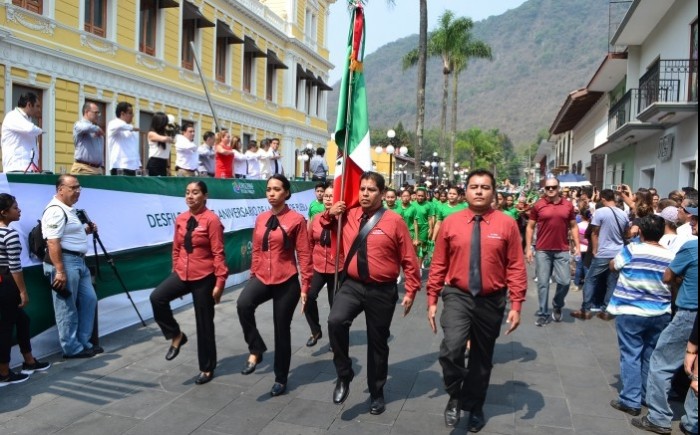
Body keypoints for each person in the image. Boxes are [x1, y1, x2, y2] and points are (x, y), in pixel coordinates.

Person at [427, 169, 526, 430]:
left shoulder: (506, 224)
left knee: (482, 358)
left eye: (485, 187)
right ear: (466, 191)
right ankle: (455, 394)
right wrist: (432, 298)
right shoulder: (451, 222)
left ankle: (475, 405)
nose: (479, 191)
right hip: (458, 295)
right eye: (474, 186)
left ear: (494, 192)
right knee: (451, 349)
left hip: (491, 300)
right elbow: (438, 263)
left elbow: (516, 265)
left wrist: (516, 304)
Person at [324, 172, 421, 415]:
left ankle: (376, 392)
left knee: (378, 343)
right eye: (362, 189)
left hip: (382, 290)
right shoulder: (347, 213)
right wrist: (329, 213)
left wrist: (411, 289)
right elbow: (320, 227)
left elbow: (409, 258)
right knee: (335, 321)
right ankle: (344, 373)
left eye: (371, 190)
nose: (365, 194)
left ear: (382, 193)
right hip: (352, 285)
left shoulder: (394, 221)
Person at [237, 174, 312, 397]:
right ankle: (256, 348)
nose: (272, 193)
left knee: (282, 330)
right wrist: (253, 275)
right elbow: (257, 250)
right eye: (269, 189)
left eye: (277, 189)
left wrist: (305, 285)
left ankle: (280, 378)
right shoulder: (261, 218)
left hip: (286, 280)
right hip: (261, 277)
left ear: (286, 193)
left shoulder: (297, 220)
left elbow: (304, 254)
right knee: (243, 304)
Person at [149, 181, 228, 385]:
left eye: (195, 193)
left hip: (204, 277)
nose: (190, 196)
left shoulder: (212, 220)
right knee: (157, 298)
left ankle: (207, 367)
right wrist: (176, 269)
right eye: (187, 193)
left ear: (205, 196)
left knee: (204, 323)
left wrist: (220, 282)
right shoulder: (181, 219)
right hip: (182, 274)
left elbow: (218, 253)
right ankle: (176, 335)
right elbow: (176, 248)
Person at [632, 206, 698, 435]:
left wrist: (681, 275)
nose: (692, 223)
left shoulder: (692, 246)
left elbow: (668, 275)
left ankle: (658, 417)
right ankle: (692, 422)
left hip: (689, 312)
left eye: (696, 220)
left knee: (660, 362)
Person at [607, 215, 674, 418]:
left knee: (631, 354)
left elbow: (614, 266)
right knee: (650, 355)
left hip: (631, 310)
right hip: (660, 312)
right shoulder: (670, 255)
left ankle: (630, 399)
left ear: (642, 232)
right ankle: (646, 394)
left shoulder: (633, 250)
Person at [41, 175, 101, 358]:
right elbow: (53, 242)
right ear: (60, 189)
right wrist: (60, 270)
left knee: (89, 300)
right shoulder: (55, 210)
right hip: (66, 263)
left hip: (78, 262)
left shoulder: (68, 210)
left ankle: (82, 342)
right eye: (73, 188)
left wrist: (86, 230)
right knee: (67, 307)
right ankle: (71, 348)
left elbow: (67, 234)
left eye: (79, 187)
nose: (77, 191)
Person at [0, 194, 51, 386]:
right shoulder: (9, 234)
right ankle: (4, 373)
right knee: (6, 327)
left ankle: (29, 361)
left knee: (23, 320)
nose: (19, 210)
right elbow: (15, 266)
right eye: (15, 208)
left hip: (2, 281)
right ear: (3, 213)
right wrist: (22, 291)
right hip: (6, 283)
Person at [525, 177, 580, 326]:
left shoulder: (567, 205)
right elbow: (530, 226)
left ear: (558, 188)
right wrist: (528, 247)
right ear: (544, 188)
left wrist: (578, 246)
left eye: (553, 187)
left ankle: (557, 304)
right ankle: (543, 312)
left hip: (562, 249)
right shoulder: (538, 205)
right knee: (543, 283)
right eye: (548, 187)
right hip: (542, 250)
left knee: (565, 281)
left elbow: (574, 226)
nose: (550, 190)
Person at [571, 189, 628, 321]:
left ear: (602, 199)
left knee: (590, 279)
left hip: (603, 252)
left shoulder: (600, 212)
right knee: (612, 281)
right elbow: (627, 233)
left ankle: (586, 309)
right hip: (618, 252)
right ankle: (606, 309)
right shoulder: (623, 213)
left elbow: (594, 233)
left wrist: (595, 250)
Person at [304, 185, 342, 348]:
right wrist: (307, 265)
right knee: (308, 297)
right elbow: (309, 243)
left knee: (335, 306)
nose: (327, 198)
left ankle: (335, 339)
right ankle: (315, 330)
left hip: (337, 268)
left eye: (331, 196)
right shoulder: (316, 219)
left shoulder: (343, 220)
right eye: (325, 196)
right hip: (318, 265)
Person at [1, 92, 43, 173]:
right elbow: (30, 129)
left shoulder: (27, 120)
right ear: (29, 105)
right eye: (37, 106)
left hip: (29, 169)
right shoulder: (13, 116)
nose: (39, 110)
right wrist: (42, 131)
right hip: (16, 168)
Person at [70, 101, 105, 175]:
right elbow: (83, 128)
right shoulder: (79, 124)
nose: (98, 115)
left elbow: (99, 149)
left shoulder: (96, 127)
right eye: (96, 113)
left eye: (98, 113)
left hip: (98, 170)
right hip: (83, 169)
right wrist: (96, 129)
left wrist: (102, 166)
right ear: (86, 112)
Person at [107, 102, 141, 176]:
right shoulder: (113, 124)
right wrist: (132, 128)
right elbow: (120, 126)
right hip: (120, 167)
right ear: (122, 113)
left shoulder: (131, 129)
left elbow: (134, 149)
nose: (133, 115)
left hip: (134, 168)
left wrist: (138, 164)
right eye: (130, 113)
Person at [145, 112, 175, 177]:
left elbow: (166, 152)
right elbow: (164, 139)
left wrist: (168, 166)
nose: (166, 125)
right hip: (154, 163)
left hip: (164, 162)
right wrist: (171, 137)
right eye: (164, 122)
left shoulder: (166, 133)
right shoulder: (151, 133)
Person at [412, 187, 434, 268]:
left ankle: (419, 265)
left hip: (424, 228)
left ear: (425, 196)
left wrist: (431, 229)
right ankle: (416, 263)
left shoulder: (428, 205)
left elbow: (430, 218)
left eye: (422, 196)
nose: (420, 197)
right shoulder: (412, 204)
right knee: (415, 246)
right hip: (414, 228)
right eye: (419, 195)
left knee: (422, 247)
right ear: (416, 195)